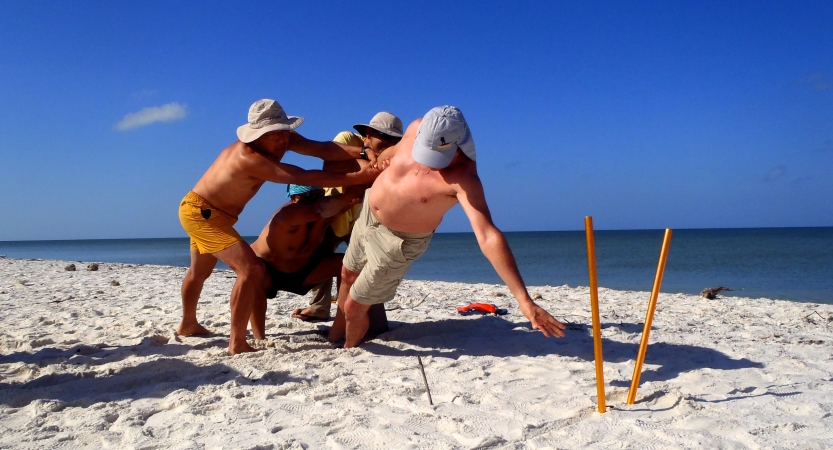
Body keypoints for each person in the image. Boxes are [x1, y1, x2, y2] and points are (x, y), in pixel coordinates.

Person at [328, 106, 567, 348]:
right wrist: (378, 156)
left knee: (354, 306)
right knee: (347, 275)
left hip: (397, 242)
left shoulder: (464, 178)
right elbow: (395, 150)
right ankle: (334, 339)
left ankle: (350, 350)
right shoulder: (415, 127)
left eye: (438, 157)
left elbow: (488, 236)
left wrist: (525, 301)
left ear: (458, 145)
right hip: (369, 214)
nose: (428, 165)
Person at [178, 99, 378, 354]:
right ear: (258, 136)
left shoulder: (281, 137)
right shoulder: (247, 157)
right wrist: (360, 177)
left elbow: (322, 149)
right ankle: (237, 343)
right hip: (202, 213)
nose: (283, 141)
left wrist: (362, 152)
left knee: (199, 272)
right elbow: (302, 176)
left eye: (285, 133)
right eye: (275, 136)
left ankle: (188, 324)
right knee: (249, 269)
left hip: (216, 215)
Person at [291, 112, 403, 322]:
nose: (390, 144)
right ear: (368, 134)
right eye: (385, 137)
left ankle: (373, 321)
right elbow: (331, 167)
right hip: (335, 212)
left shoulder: (393, 158)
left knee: (367, 267)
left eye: (395, 140)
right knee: (319, 258)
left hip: (361, 219)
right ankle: (319, 308)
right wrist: (368, 169)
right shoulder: (347, 140)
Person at [248, 184, 363, 339]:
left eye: (321, 195)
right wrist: (348, 197)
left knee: (346, 264)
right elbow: (321, 210)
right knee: (253, 270)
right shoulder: (287, 215)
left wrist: (354, 198)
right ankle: (259, 337)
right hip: (270, 272)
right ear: (295, 199)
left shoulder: (320, 215)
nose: (319, 201)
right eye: (313, 197)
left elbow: (335, 210)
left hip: (302, 273)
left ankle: (340, 326)